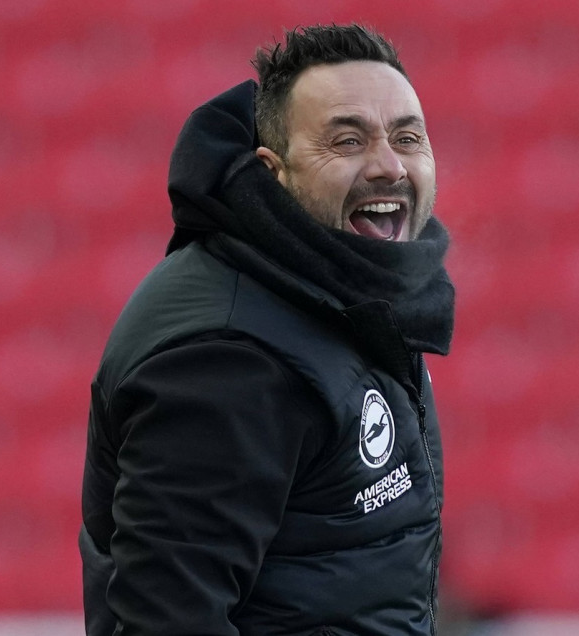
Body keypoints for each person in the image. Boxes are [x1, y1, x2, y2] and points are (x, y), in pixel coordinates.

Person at [79, 24, 456, 636]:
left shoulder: (352, 297)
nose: (388, 165)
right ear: (273, 170)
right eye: (348, 140)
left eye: (408, 138)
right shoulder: (227, 357)